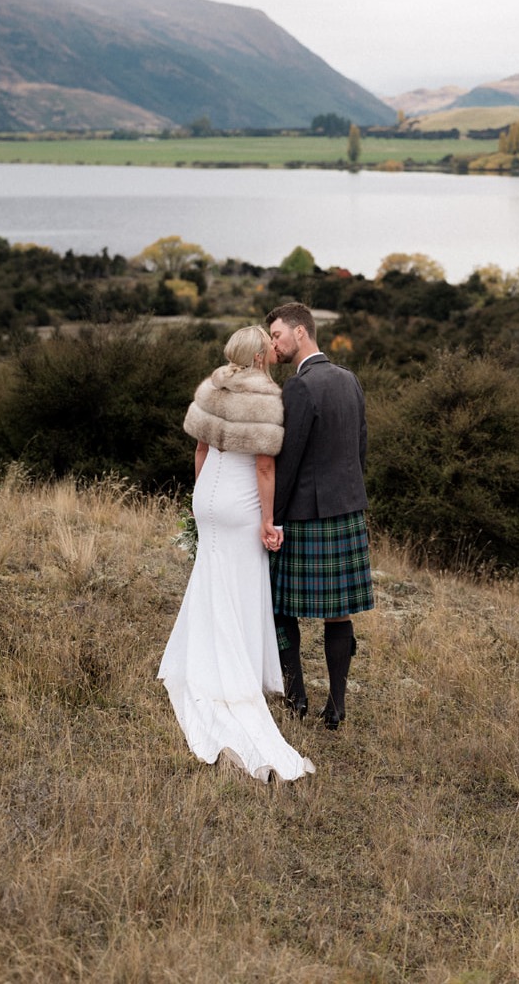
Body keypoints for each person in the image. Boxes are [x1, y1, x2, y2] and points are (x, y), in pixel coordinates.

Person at [158, 325, 314, 783]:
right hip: (241, 500)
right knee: (241, 585)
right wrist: (269, 520)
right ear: (262, 356)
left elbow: (201, 448)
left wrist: (199, 496)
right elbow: (265, 465)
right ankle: (233, 671)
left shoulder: (212, 384)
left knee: (210, 578)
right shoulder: (266, 396)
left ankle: (201, 662)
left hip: (208, 495)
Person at [266, 302, 374, 730]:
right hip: (347, 509)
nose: (274, 343)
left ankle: (296, 700)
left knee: (279, 607)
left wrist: (272, 518)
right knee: (339, 612)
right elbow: (360, 447)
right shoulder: (349, 379)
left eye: (277, 335)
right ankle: (337, 705)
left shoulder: (299, 386)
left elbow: (287, 462)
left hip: (307, 514)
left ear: (300, 332)